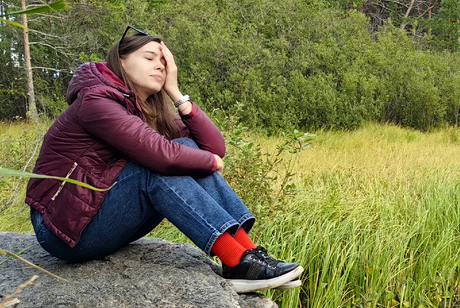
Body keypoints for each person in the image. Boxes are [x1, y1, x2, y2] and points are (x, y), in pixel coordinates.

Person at [25, 27, 302, 293]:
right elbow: (165, 158)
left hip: (98, 216)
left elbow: (214, 148)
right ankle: (236, 260)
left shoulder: (145, 109)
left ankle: (247, 256)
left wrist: (176, 93)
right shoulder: (96, 101)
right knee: (157, 167)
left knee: (184, 146)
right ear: (120, 61)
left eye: (164, 62)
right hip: (61, 230)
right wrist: (210, 162)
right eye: (148, 58)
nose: (159, 66)